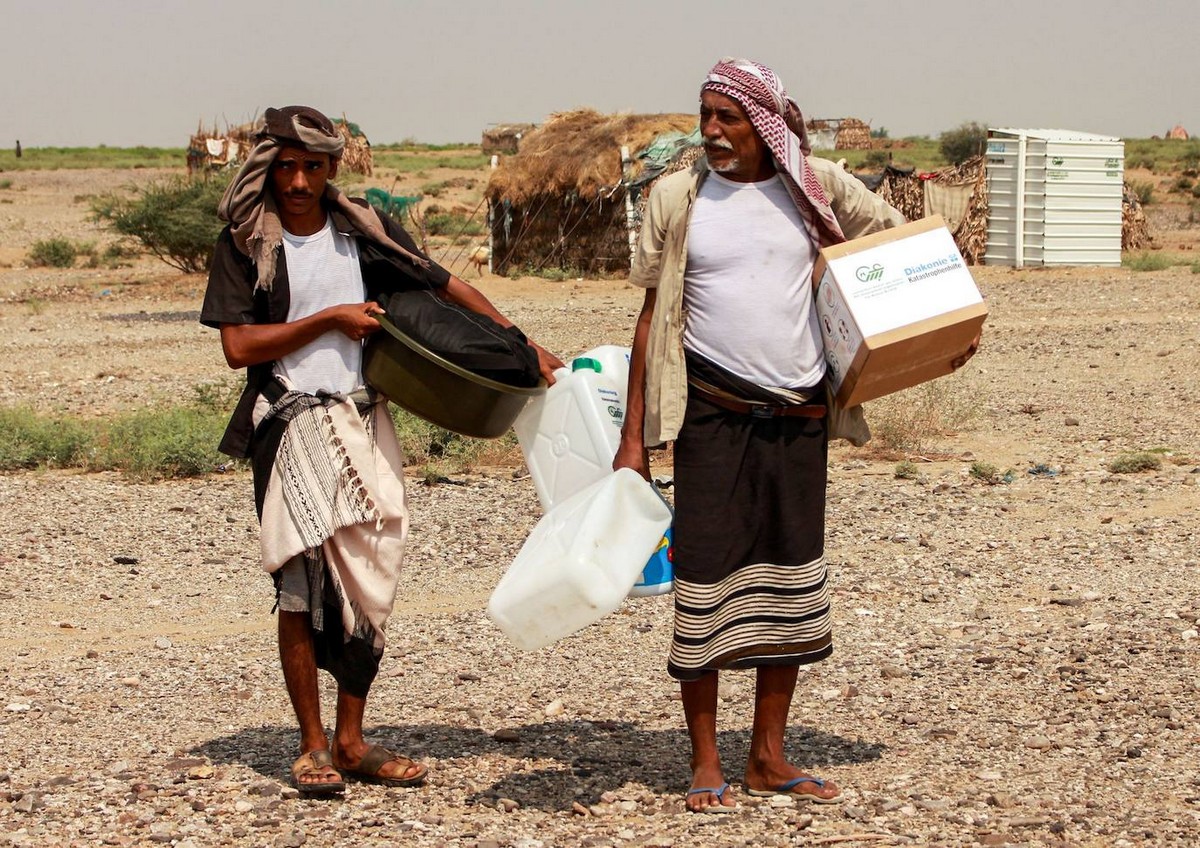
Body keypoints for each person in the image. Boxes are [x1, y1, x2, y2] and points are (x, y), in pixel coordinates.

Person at [200, 105, 562, 796]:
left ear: (333, 167)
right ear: (268, 170)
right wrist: (329, 320)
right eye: (285, 167)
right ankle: (311, 746)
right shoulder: (248, 241)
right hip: (290, 420)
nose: (299, 181)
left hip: (363, 419)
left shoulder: (360, 230)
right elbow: (238, 347)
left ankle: (352, 740)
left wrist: (522, 345)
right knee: (299, 588)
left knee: (371, 577)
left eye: (311, 166)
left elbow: (443, 285)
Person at [614, 58, 913, 813]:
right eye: (705, 114)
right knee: (704, 585)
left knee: (791, 582)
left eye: (729, 117)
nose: (712, 131)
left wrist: (937, 328)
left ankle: (769, 757)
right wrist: (634, 436)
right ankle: (706, 759)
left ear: (765, 122)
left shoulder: (816, 187)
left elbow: (903, 253)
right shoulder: (679, 198)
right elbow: (652, 317)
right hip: (712, 415)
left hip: (800, 417)